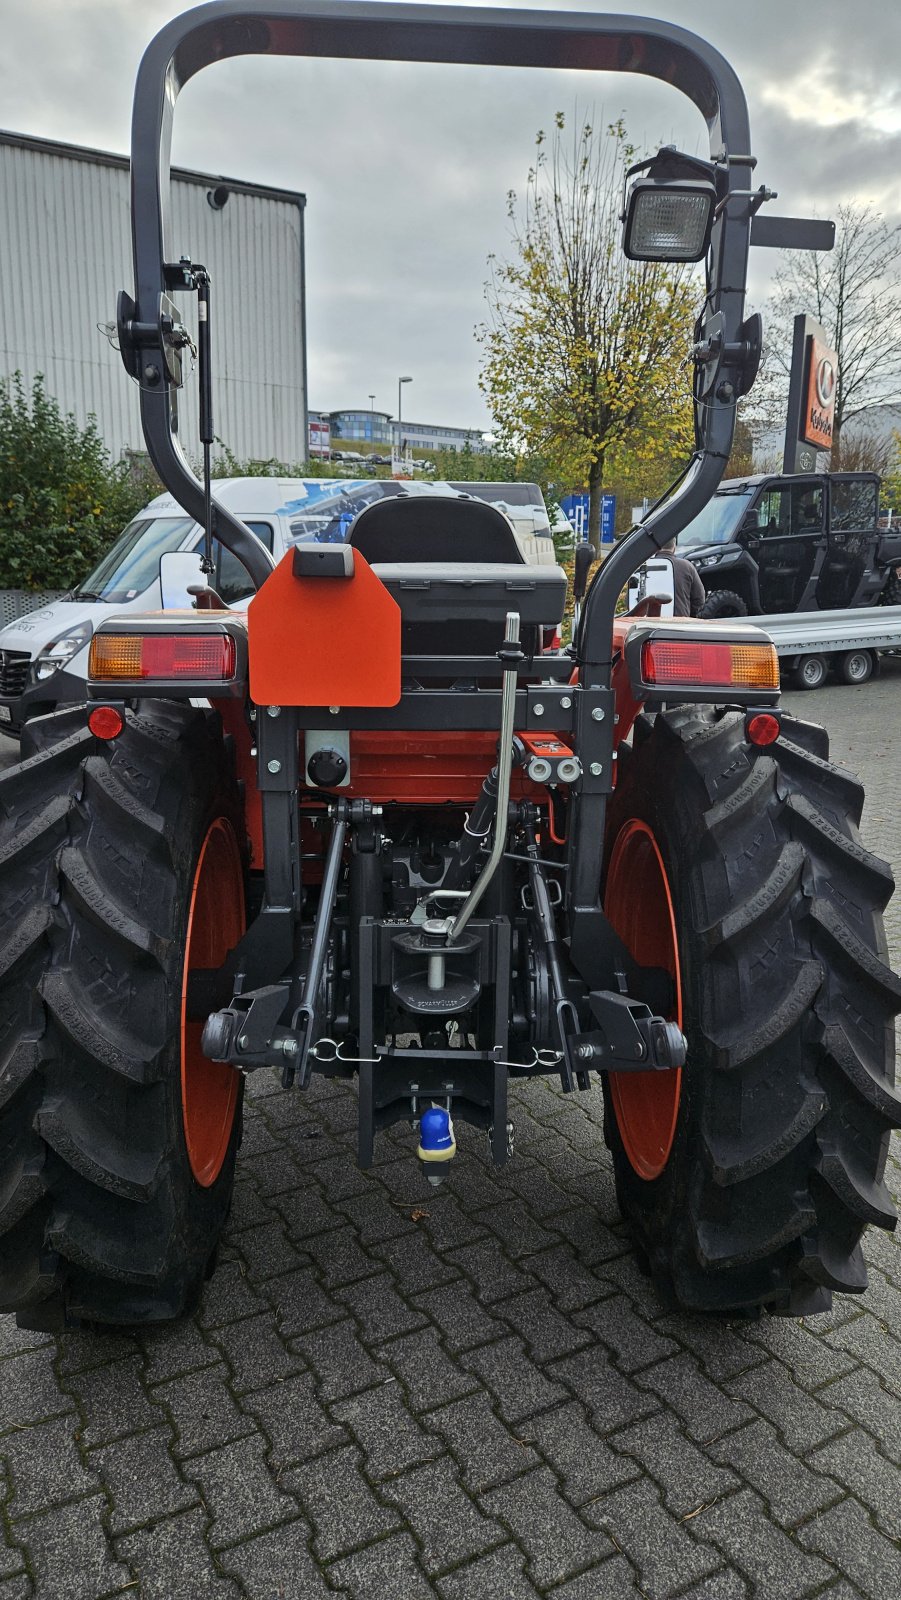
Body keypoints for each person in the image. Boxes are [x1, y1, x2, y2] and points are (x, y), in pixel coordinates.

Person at [660, 538, 706, 617]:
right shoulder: (687, 566)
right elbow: (699, 598)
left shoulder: (645, 566)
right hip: (680, 621)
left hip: (650, 622)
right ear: (674, 547)